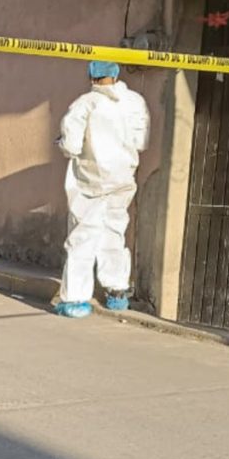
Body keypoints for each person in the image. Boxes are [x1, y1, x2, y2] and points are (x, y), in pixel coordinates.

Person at [55, 61, 150, 318]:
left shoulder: (84, 104)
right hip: (123, 178)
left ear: (91, 75)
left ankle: (75, 300)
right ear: (116, 74)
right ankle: (117, 292)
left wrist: (62, 143)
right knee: (114, 231)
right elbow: (141, 142)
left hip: (91, 179)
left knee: (83, 236)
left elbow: (71, 146)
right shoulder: (135, 102)